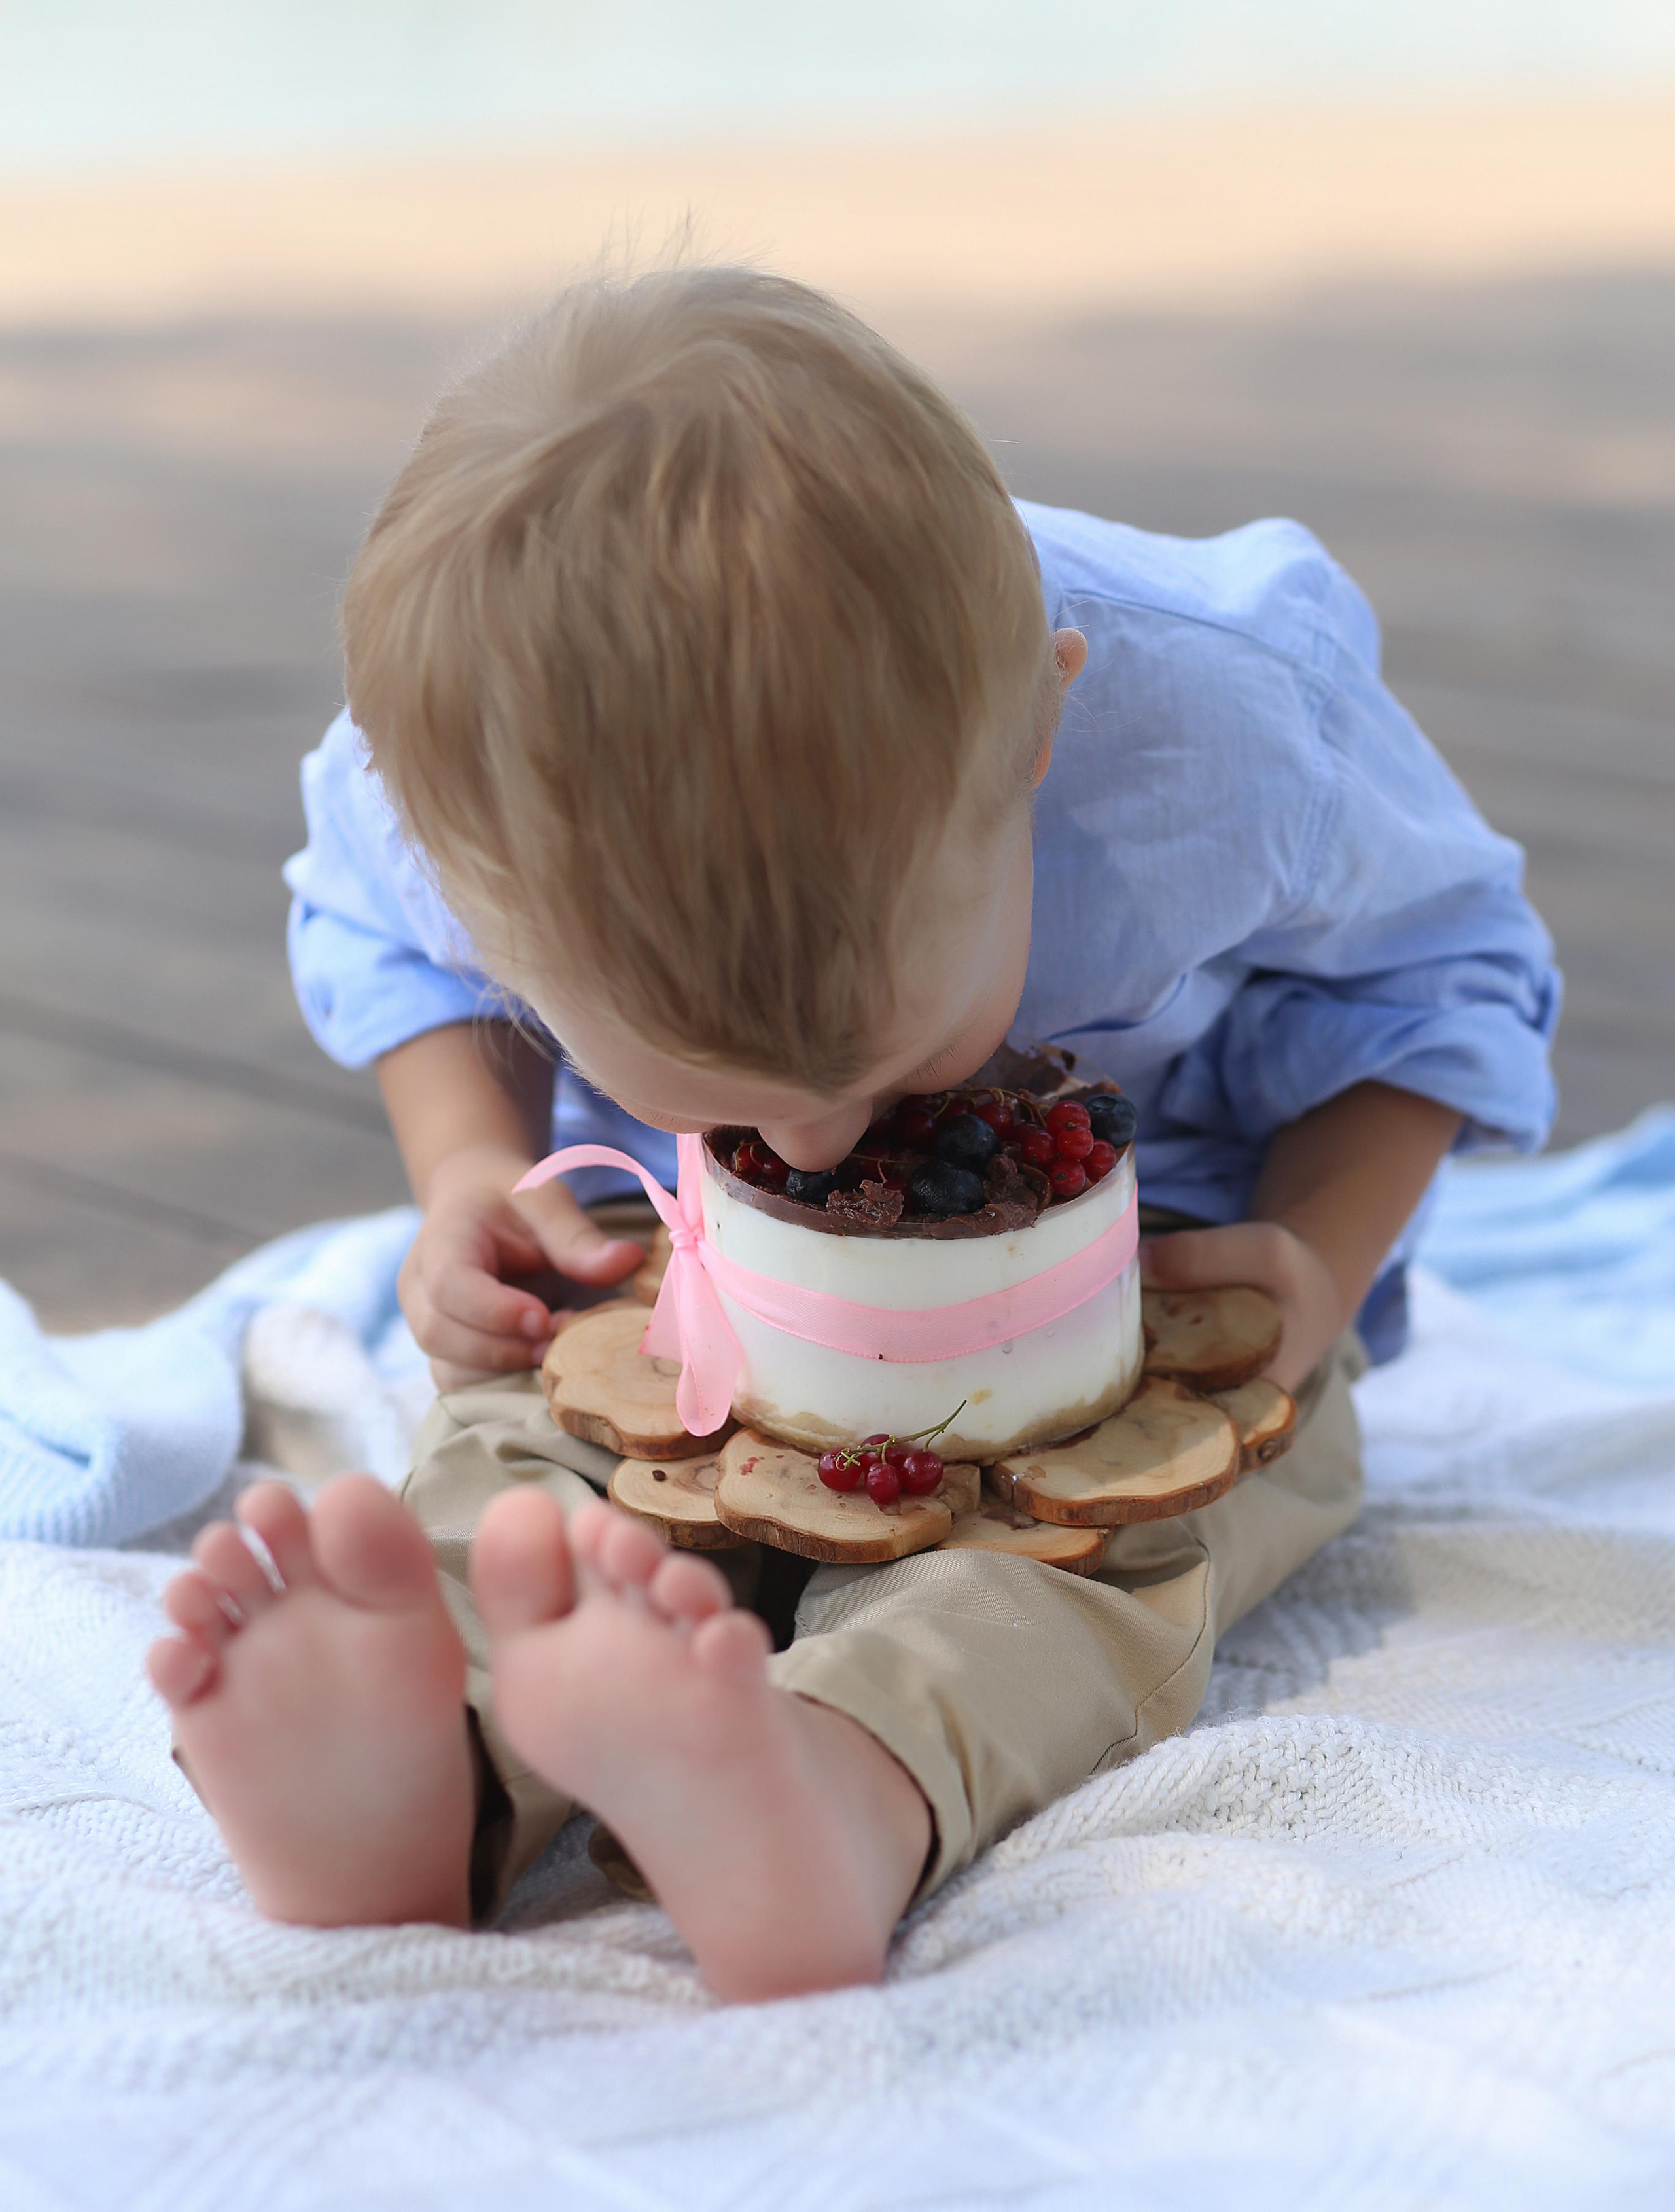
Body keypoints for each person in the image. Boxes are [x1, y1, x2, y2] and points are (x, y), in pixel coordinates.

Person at [147, 267, 1559, 2001]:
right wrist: (467, 1176)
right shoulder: (459, 790)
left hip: (1133, 1312)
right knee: (524, 1470)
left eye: (876, 1055)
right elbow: (376, 939)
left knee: (1075, 1567)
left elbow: (1447, 971)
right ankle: (421, 1760)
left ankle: (834, 1789)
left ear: (1044, 729)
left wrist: (1319, 1256)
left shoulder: (1229, 732)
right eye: (711, 1085)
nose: (814, 1152)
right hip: (689, 1291)